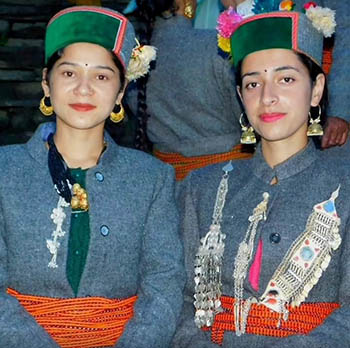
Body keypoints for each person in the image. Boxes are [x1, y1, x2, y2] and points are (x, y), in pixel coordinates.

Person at [0, 6, 184, 348]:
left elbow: (164, 285)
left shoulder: (152, 178)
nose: (84, 89)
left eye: (101, 76)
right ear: (46, 82)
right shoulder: (4, 171)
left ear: (119, 92)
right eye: (69, 74)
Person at [173, 2, 349, 347]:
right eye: (253, 84)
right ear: (240, 96)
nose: (268, 97)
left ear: (316, 90)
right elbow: (181, 305)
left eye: (286, 79)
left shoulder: (344, 184)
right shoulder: (200, 187)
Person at [127, 0, 253, 180]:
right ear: (186, 3)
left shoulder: (134, 65)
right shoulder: (218, 48)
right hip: (232, 182)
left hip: (168, 189)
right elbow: (250, 120)